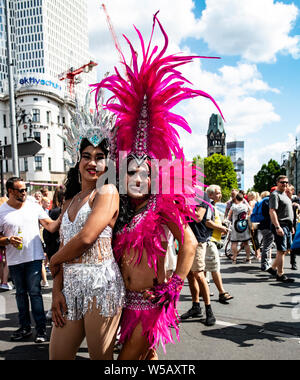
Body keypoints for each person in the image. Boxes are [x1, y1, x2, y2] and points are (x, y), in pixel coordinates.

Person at [94, 12, 223, 360]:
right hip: (124, 305)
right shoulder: (120, 210)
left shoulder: (159, 208)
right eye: (131, 173)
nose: (138, 179)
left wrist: (176, 285)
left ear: (155, 178)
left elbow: (191, 243)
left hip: (151, 305)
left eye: (145, 174)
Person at [48, 96, 125, 360]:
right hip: (70, 286)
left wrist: (53, 262)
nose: (92, 163)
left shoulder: (108, 191)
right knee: (57, 356)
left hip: (101, 285)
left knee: (100, 359)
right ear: (77, 160)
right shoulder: (69, 199)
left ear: (107, 163)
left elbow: (87, 237)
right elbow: (62, 246)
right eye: (86, 156)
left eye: (99, 157)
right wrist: (56, 290)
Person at [0, 177, 62, 343]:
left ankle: (41, 331)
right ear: (11, 191)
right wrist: (8, 240)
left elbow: (50, 226)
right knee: (20, 294)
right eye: (21, 190)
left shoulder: (33, 206)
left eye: (25, 189)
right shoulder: (2, 211)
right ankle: (25, 328)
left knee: (35, 293)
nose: (25, 193)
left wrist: (64, 216)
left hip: (34, 257)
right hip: (14, 260)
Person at [205, 185, 233, 304]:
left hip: (210, 240)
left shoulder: (211, 205)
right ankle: (222, 292)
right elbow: (207, 222)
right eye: (218, 193)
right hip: (209, 240)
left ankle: (204, 289)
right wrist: (221, 227)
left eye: (220, 192)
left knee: (205, 268)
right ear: (210, 195)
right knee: (215, 267)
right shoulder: (209, 205)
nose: (220, 195)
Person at [267, 175, 295, 282]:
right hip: (281, 225)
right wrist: (277, 227)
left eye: (286, 182)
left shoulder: (284, 194)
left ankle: (273, 268)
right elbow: (272, 211)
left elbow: (288, 212)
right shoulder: (275, 195)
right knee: (281, 250)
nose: (285, 184)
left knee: (285, 250)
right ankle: (280, 274)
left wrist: (291, 226)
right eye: (282, 182)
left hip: (287, 225)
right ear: (277, 183)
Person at [227, 192, 252, 264]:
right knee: (246, 243)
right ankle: (248, 258)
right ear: (242, 199)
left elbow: (229, 216)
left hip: (235, 227)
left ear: (236, 198)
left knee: (234, 242)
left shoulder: (234, 206)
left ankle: (234, 259)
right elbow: (250, 210)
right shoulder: (245, 206)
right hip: (244, 226)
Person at [257, 191, 274, 271]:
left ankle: (265, 263)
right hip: (268, 225)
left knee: (266, 245)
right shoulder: (267, 201)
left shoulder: (261, 202)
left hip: (262, 225)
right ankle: (265, 264)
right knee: (267, 246)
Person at [0, 196, 12, 291]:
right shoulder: (4, 213)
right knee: (5, 261)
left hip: (3, 240)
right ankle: (4, 281)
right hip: (5, 240)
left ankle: (3, 281)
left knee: (1, 261)